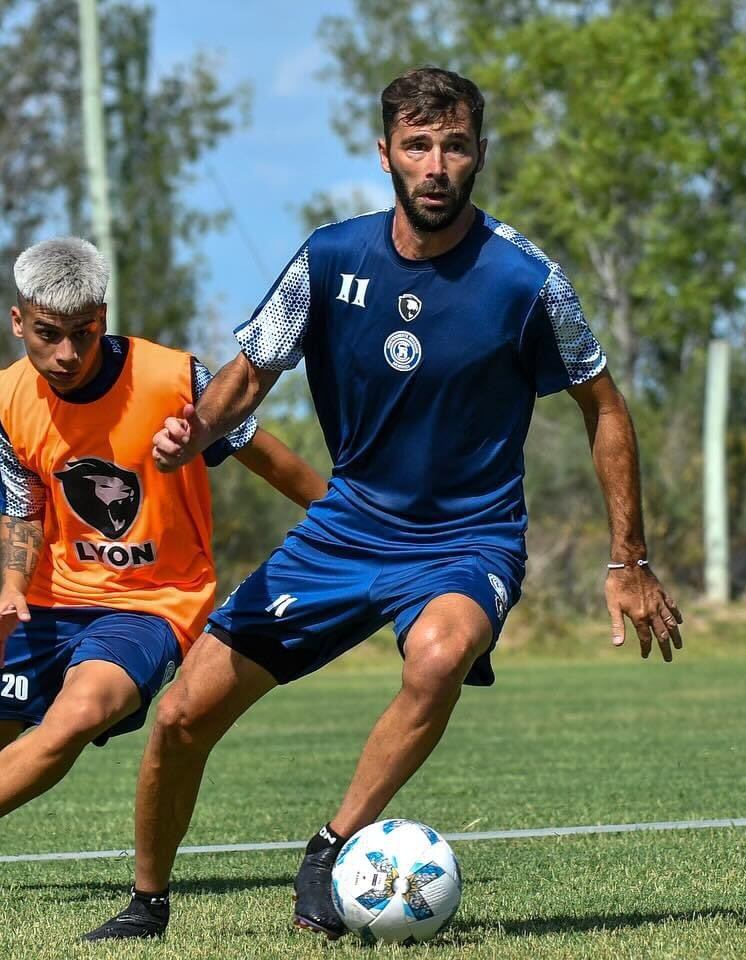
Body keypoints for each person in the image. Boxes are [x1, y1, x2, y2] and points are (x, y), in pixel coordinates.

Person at [82, 67, 683, 942]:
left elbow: (605, 408)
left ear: (478, 154)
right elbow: (250, 370)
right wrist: (196, 430)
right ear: (386, 155)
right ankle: (146, 905)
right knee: (180, 716)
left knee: (437, 656)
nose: (436, 164)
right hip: (346, 530)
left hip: (467, 540)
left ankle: (332, 847)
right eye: (417, 145)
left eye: (454, 145)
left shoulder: (527, 281)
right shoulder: (329, 259)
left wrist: (628, 559)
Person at [0, 237, 327, 902]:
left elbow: (267, 455)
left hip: (155, 603)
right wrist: (8, 590)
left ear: (103, 317)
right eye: (48, 335)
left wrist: (348, 522)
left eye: (84, 334)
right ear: (17, 321)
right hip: (50, 601)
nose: (66, 354)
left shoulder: (175, 378)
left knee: (77, 712)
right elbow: (24, 509)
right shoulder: (7, 395)